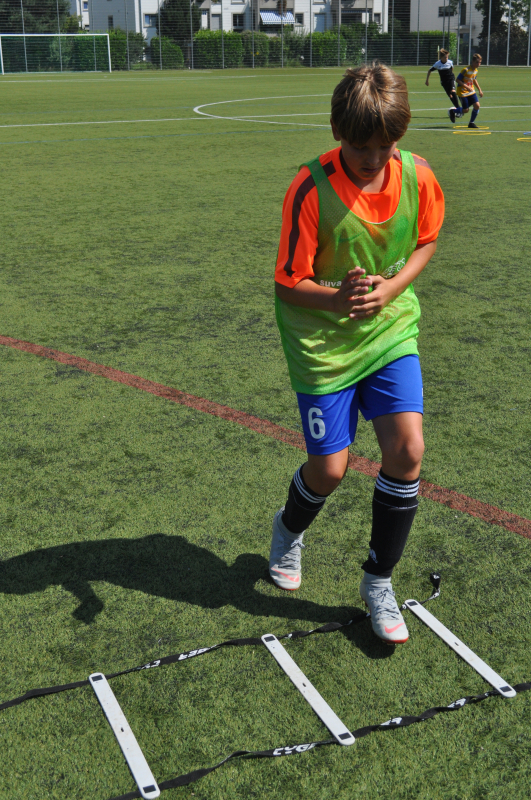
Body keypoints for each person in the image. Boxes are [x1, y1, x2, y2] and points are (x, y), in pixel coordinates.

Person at [270, 64, 444, 645]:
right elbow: (287, 283)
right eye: (359, 147)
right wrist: (337, 298)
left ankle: (378, 579)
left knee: (408, 450)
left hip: (390, 331)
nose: (373, 159)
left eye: (384, 147)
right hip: (323, 343)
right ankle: (288, 529)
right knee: (330, 470)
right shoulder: (310, 188)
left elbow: (426, 241)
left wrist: (391, 290)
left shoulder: (418, 176)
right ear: (336, 132)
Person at [425, 48, 462, 123]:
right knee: (450, 96)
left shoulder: (450, 62)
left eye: (447, 57)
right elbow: (429, 70)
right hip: (444, 82)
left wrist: (451, 78)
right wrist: (427, 80)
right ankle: (458, 108)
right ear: (441, 57)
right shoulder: (437, 64)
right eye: (445, 57)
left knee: (453, 91)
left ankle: (459, 109)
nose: (446, 58)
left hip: (451, 80)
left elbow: (452, 69)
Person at [456, 54, 483, 128]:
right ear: (472, 61)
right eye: (477, 62)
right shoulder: (466, 70)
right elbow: (457, 80)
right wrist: (467, 87)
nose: (478, 64)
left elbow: (474, 80)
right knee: (466, 110)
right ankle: (452, 111)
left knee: (477, 105)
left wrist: (480, 90)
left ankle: (471, 123)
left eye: (480, 62)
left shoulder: (476, 70)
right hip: (462, 92)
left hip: (471, 91)